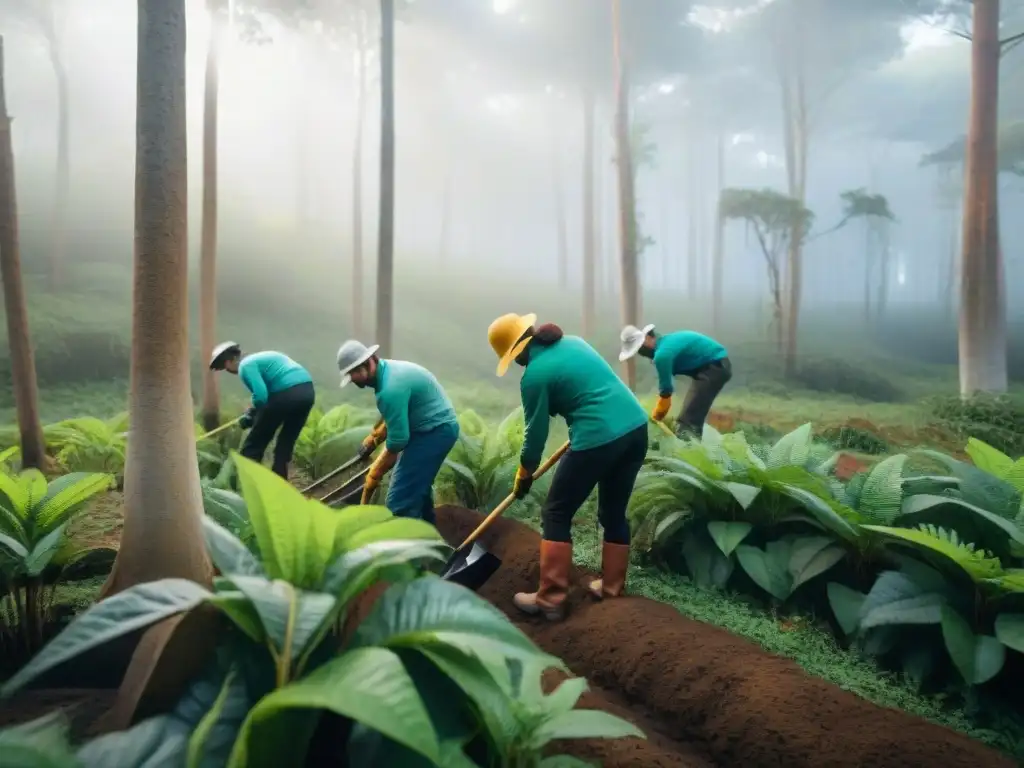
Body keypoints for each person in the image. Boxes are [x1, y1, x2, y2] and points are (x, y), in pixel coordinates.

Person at [487, 313, 649, 621]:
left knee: (556, 512)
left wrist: (524, 473)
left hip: (598, 438)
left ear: (518, 349)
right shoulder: (575, 343)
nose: (516, 363)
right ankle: (611, 587)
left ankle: (550, 598)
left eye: (512, 357)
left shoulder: (534, 375)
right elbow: (590, 389)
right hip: (635, 429)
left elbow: (535, 436)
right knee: (613, 512)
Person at [336, 339, 459, 523]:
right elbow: (393, 415)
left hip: (434, 432)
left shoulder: (389, 389)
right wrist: (373, 439)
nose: (352, 380)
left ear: (365, 365)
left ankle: (405, 546)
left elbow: (398, 441)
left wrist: (375, 472)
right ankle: (429, 535)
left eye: (353, 374)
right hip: (433, 427)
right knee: (416, 486)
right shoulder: (388, 371)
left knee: (399, 501)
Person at [209, 342, 316, 480]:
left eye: (224, 367)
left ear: (229, 362)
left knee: (253, 446)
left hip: (285, 393)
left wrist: (250, 416)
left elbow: (261, 396)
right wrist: (254, 413)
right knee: (285, 442)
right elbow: (270, 395)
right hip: (307, 391)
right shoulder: (261, 358)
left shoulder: (245, 366)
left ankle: (249, 487)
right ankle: (280, 484)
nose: (227, 371)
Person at [619, 324, 732, 438]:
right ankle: (690, 444)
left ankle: (689, 451)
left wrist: (659, 412)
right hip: (714, 366)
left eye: (640, 348)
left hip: (714, 367)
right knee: (691, 414)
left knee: (688, 422)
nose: (642, 353)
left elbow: (666, 392)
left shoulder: (663, 354)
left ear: (648, 338)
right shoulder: (667, 344)